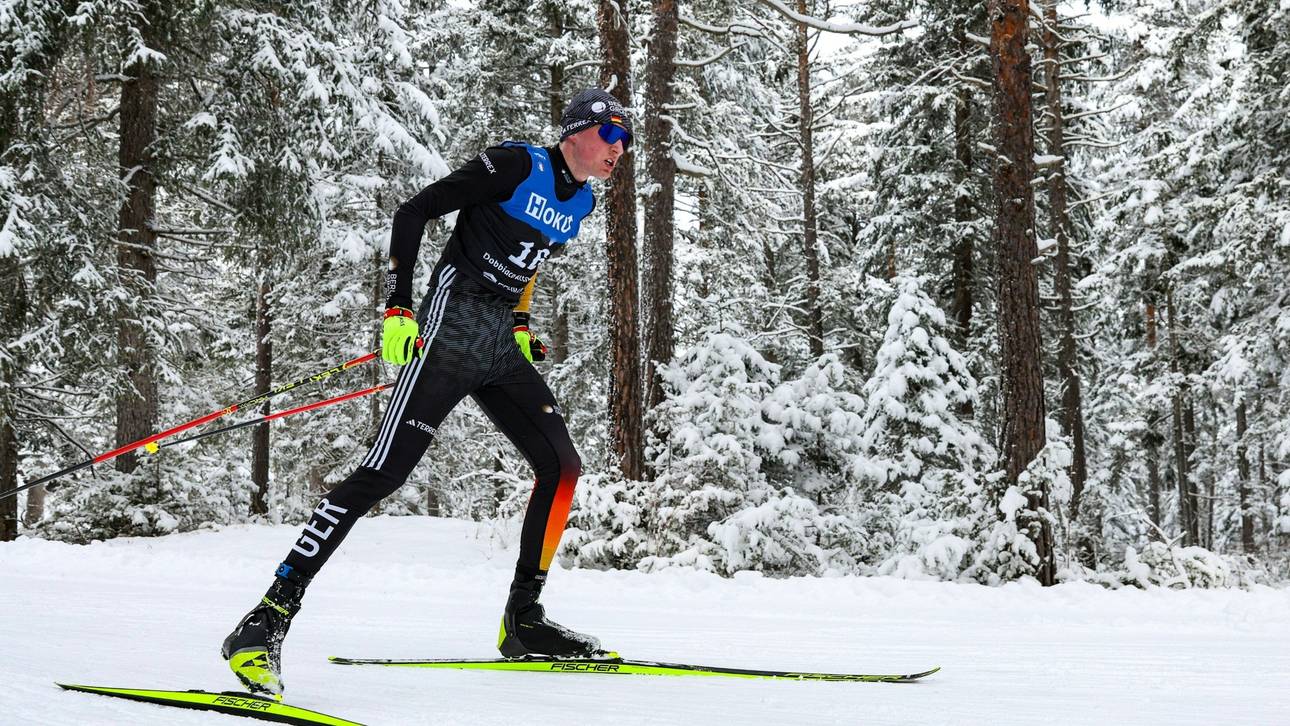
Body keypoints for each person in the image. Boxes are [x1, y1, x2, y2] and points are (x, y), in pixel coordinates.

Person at [220, 88, 632, 698]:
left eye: (626, 140)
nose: (620, 149)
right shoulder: (517, 164)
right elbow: (413, 212)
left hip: (496, 341)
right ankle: (264, 622)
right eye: (611, 136)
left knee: (562, 466)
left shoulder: (582, 202)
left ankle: (524, 621)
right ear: (575, 132)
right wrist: (398, 306)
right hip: (447, 326)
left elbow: (531, 263)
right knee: (383, 474)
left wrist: (520, 324)